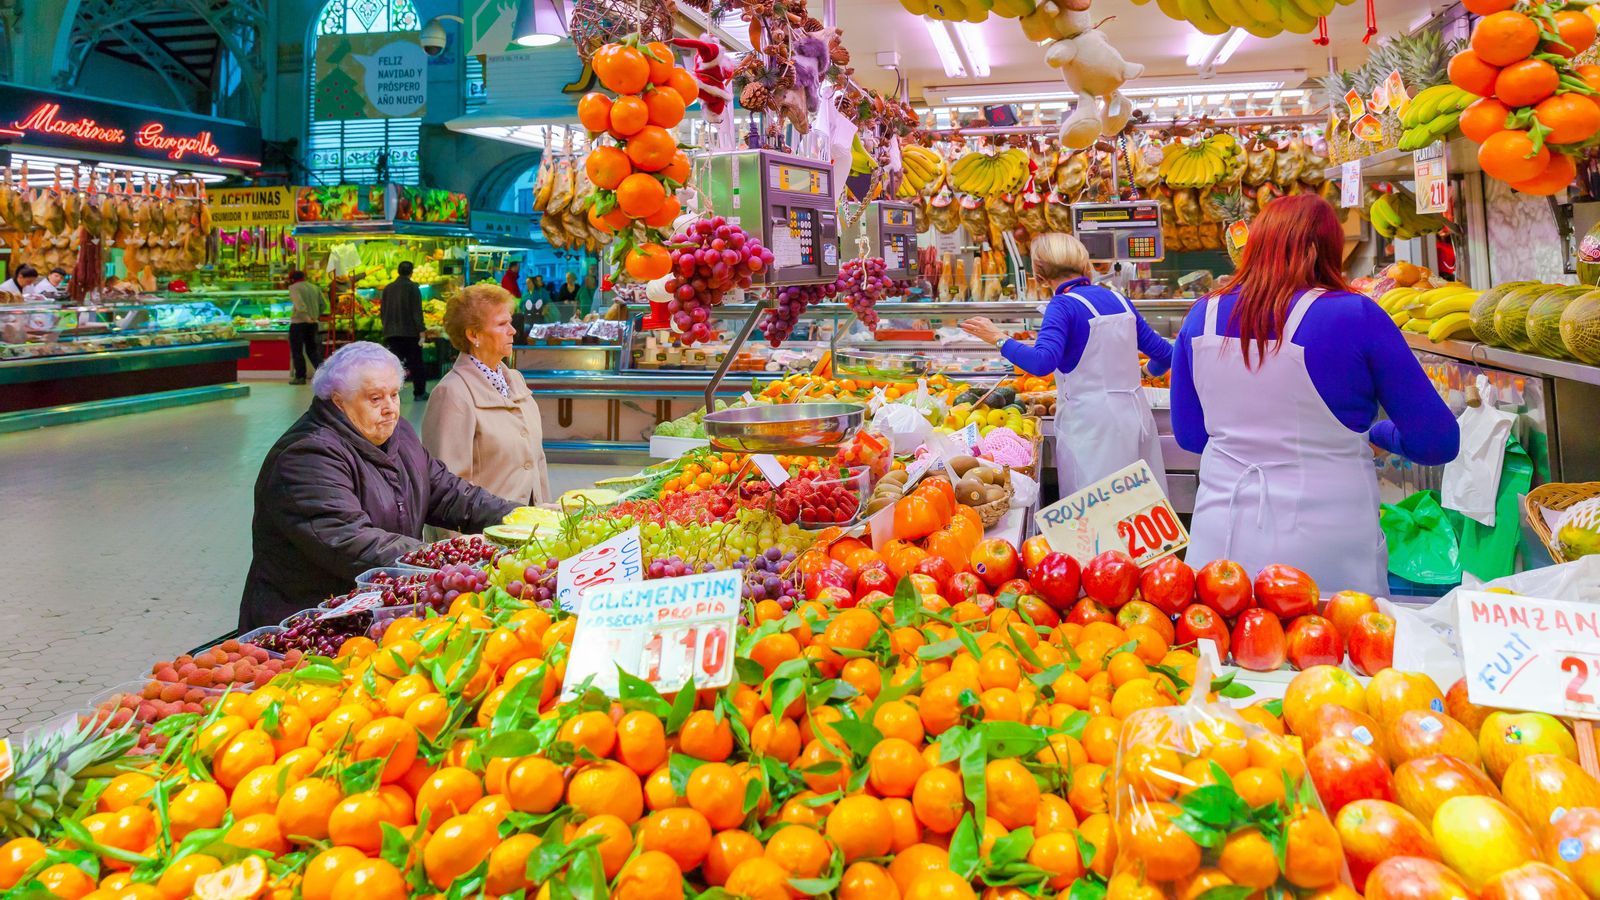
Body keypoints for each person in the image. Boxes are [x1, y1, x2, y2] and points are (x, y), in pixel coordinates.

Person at [1170, 194, 1459, 596]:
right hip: (1325, 550)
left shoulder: (1203, 315)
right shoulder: (1355, 315)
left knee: (1221, 654)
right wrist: (1375, 436)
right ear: (1324, 249)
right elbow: (1436, 442)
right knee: (1336, 654)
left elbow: (1190, 436)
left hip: (1220, 543)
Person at [238, 342, 517, 629]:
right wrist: (449, 558)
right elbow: (351, 541)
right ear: (338, 401)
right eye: (375, 398)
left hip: (373, 612)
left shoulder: (398, 434)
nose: (390, 408)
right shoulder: (307, 456)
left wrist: (520, 518)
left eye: (395, 394)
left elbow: (448, 492)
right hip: (308, 625)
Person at [961, 233, 1172, 496]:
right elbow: (1166, 354)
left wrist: (998, 338)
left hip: (1092, 427)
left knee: (1096, 513)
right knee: (1140, 506)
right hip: (1136, 416)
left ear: (1038, 274)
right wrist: (1144, 372)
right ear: (1084, 265)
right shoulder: (1119, 299)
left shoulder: (1062, 306)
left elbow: (1041, 363)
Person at [422, 284, 550, 508]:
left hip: (528, 530)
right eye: (502, 324)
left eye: (510, 322)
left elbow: (537, 462)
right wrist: (462, 543)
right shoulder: (451, 394)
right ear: (473, 335)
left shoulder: (515, 380)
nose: (512, 331)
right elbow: (446, 487)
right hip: (484, 535)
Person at [381, 260, 429, 399]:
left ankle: (388, 394)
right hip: (409, 333)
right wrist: (421, 330)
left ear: (398, 271)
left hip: (391, 333)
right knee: (416, 364)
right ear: (411, 272)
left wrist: (386, 327)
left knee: (392, 367)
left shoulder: (388, 288)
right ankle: (419, 392)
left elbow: (383, 311)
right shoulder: (413, 288)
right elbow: (416, 312)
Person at [286, 270, 324, 385]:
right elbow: (323, 304)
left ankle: (300, 376)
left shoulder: (294, 288)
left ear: (292, 279)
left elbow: (299, 305)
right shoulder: (314, 287)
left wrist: (306, 317)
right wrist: (315, 316)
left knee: (297, 350)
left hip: (299, 323)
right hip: (313, 323)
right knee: (312, 350)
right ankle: (324, 374)